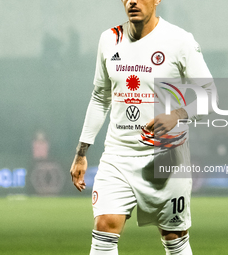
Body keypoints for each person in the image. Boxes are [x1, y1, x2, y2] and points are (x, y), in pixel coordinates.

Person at [70, 0, 217, 254]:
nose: (132, 1)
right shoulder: (109, 39)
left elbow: (210, 95)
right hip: (118, 155)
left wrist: (178, 115)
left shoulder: (179, 41)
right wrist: (82, 152)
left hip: (166, 156)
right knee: (104, 226)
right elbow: (100, 97)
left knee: (174, 237)